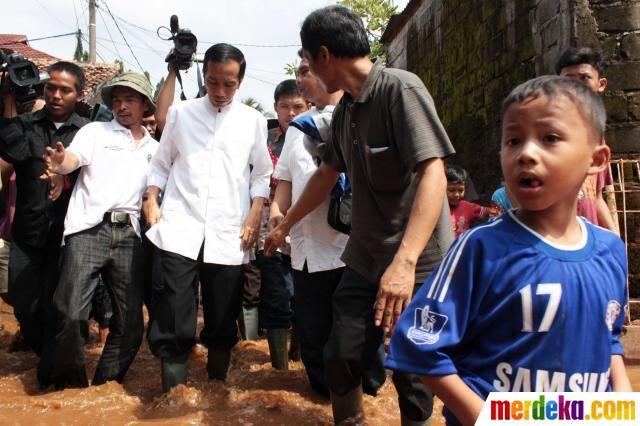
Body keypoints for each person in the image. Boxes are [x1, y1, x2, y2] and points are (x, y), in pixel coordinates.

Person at [386, 76, 632, 425]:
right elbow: (418, 345)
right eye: (513, 141)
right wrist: (485, 418)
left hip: (582, 416)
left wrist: (623, 408)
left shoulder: (610, 251)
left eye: (550, 138)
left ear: (597, 159)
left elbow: (608, 339)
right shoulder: (480, 248)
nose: (526, 153)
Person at [265, 6, 455, 424]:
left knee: (413, 368)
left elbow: (434, 172)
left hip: (418, 260)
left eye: (307, 62)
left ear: (326, 55)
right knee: (340, 354)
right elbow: (326, 176)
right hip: (365, 258)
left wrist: (405, 265)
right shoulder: (348, 111)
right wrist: (285, 227)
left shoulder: (399, 90)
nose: (306, 73)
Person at [142, 43, 273, 393]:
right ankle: (173, 396)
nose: (219, 91)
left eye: (228, 84)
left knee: (221, 316)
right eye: (213, 81)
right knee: (172, 312)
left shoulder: (253, 121)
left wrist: (256, 211)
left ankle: (217, 391)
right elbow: (160, 163)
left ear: (240, 82)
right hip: (179, 226)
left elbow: (262, 173)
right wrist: (151, 199)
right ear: (205, 75)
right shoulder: (181, 115)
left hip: (229, 230)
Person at [268, 54, 386, 397]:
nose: (302, 79)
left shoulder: (364, 117)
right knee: (314, 333)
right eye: (299, 72)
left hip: (354, 250)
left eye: (307, 71)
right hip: (306, 252)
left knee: (362, 333)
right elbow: (285, 182)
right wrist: (277, 212)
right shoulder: (296, 131)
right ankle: (323, 402)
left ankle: (370, 399)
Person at [42, 72, 158, 389]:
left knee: (132, 324)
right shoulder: (95, 132)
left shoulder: (155, 149)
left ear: (145, 104)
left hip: (130, 235)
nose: (121, 106)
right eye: (116, 99)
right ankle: (72, 389)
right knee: (70, 313)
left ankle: (104, 386)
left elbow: (157, 191)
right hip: (88, 228)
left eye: (129, 99)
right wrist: (59, 161)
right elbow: (72, 160)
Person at [0, 61, 88, 387]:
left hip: (69, 235)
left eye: (65, 90)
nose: (55, 95)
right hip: (27, 232)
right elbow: (13, 150)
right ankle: (49, 363)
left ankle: (50, 376)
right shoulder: (23, 124)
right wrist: (9, 97)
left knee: (60, 309)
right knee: (26, 308)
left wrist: (61, 175)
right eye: (51, 87)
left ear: (80, 93)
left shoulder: (88, 130)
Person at [255, 79, 308, 369]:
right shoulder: (263, 142)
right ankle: (280, 370)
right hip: (270, 232)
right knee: (276, 297)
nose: (291, 112)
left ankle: (301, 357)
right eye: (284, 106)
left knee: (304, 300)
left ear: (308, 106)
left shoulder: (317, 138)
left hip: (308, 232)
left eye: (297, 106)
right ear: (275, 108)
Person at [555, 47, 618, 234]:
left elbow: (596, 197)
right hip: (557, 237)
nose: (576, 86)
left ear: (601, 84)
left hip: (589, 240)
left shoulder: (597, 136)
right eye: (568, 80)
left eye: (584, 78)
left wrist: (615, 238)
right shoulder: (546, 129)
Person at [445, 165, 488, 237]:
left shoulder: (467, 207)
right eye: (451, 190)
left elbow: (488, 212)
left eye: (461, 190)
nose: (456, 194)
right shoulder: (435, 209)